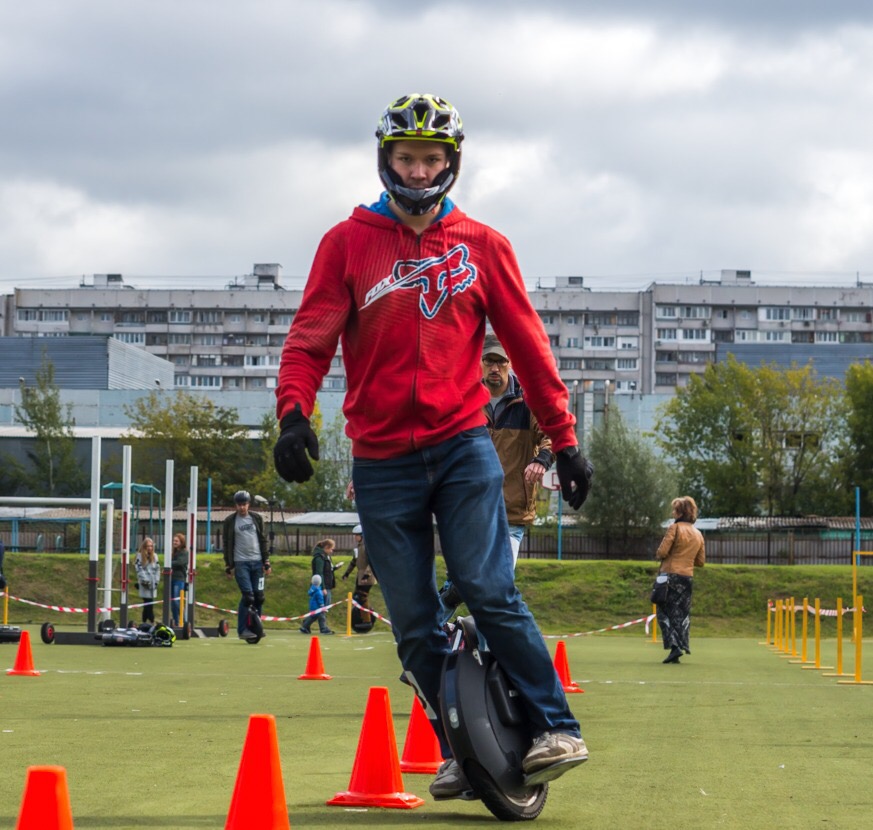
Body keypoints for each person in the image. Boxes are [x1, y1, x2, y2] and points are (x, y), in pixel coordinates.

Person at [273, 92, 594, 798]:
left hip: (460, 446)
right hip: (381, 458)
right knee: (415, 620)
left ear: (451, 164)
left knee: (486, 587)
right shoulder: (347, 243)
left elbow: (528, 349)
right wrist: (292, 415)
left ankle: (553, 725)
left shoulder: (482, 246)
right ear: (384, 159)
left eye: (431, 159)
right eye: (405, 157)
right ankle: (463, 749)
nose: (418, 172)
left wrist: (564, 441)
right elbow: (309, 340)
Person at [439, 333, 554, 622]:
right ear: (480, 364)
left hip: (511, 515)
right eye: (489, 361)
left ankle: (492, 657)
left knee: (498, 586)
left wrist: (541, 460)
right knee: (459, 587)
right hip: (470, 511)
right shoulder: (465, 401)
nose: (495, 368)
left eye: (500, 362)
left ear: (509, 364)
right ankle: (424, 649)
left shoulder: (527, 402)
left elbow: (550, 436)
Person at [655, 496, 706, 664]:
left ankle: (674, 646)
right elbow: (701, 562)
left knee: (664, 611)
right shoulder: (698, 534)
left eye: (675, 510)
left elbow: (662, 552)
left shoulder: (674, 528)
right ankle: (681, 645)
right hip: (687, 577)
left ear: (681, 512)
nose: (672, 513)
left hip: (669, 576)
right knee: (682, 614)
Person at [222, 490, 271, 641]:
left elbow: (263, 540)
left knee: (259, 596)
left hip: (257, 562)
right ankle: (243, 629)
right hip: (240, 562)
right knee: (248, 596)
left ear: (249, 504)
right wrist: (228, 566)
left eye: (244, 504)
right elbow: (226, 544)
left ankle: (257, 626)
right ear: (235, 505)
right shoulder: (230, 521)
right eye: (239, 505)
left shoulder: (256, 518)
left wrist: (266, 561)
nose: (242, 507)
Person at [343, 524, 377, 630]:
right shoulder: (358, 548)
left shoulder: (368, 547)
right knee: (356, 598)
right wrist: (347, 573)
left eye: (356, 535)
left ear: (362, 535)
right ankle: (369, 614)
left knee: (361, 596)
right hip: (360, 575)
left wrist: (367, 574)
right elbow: (353, 562)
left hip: (367, 576)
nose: (355, 537)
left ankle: (367, 620)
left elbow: (372, 563)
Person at [134, 537, 161, 624]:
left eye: (151, 546)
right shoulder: (140, 556)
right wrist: (145, 580)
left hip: (153, 583)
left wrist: (156, 581)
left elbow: (157, 569)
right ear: (144, 547)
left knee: (149, 603)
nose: (150, 548)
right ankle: (152, 620)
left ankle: (144, 622)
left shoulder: (155, 556)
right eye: (148, 546)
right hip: (144, 583)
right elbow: (139, 569)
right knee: (148, 603)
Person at [310, 538, 341, 606]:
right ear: (327, 547)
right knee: (321, 610)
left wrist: (335, 568)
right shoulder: (320, 558)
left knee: (321, 612)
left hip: (327, 586)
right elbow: (319, 573)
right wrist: (323, 588)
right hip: (323, 587)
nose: (332, 551)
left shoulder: (326, 557)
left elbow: (326, 570)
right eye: (331, 549)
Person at [170, 533, 189, 627]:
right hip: (171, 579)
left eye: (176, 541)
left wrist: (169, 563)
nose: (174, 542)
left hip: (179, 579)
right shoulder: (173, 552)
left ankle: (184, 621)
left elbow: (180, 562)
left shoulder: (184, 552)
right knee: (172, 603)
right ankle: (176, 622)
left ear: (181, 542)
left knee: (177, 601)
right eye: (174, 541)